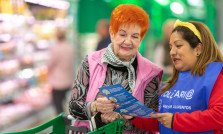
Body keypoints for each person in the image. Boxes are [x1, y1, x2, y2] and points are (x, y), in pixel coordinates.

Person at [127, 20, 223, 134]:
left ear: (198, 49)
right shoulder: (172, 83)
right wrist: (133, 114)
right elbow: (161, 121)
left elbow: (221, 116)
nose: (172, 52)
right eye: (171, 47)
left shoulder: (219, 76)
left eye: (178, 46)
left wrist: (175, 121)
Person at [69, 4, 163, 134]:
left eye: (135, 36)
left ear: (141, 39)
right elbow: (73, 107)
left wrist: (124, 118)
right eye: (122, 34)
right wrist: (95, 107)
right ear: (112, 34)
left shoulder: (151, 73)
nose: (128, 41)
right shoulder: (90, 62)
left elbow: (152, 122)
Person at [47, 28, 75, 115]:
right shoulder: (70, 47)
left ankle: (61, 125)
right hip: (68, 80)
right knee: (65, 103)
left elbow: (49, 65)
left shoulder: (55, 49)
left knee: (58, 106)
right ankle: (67, 122)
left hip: (57, 82)